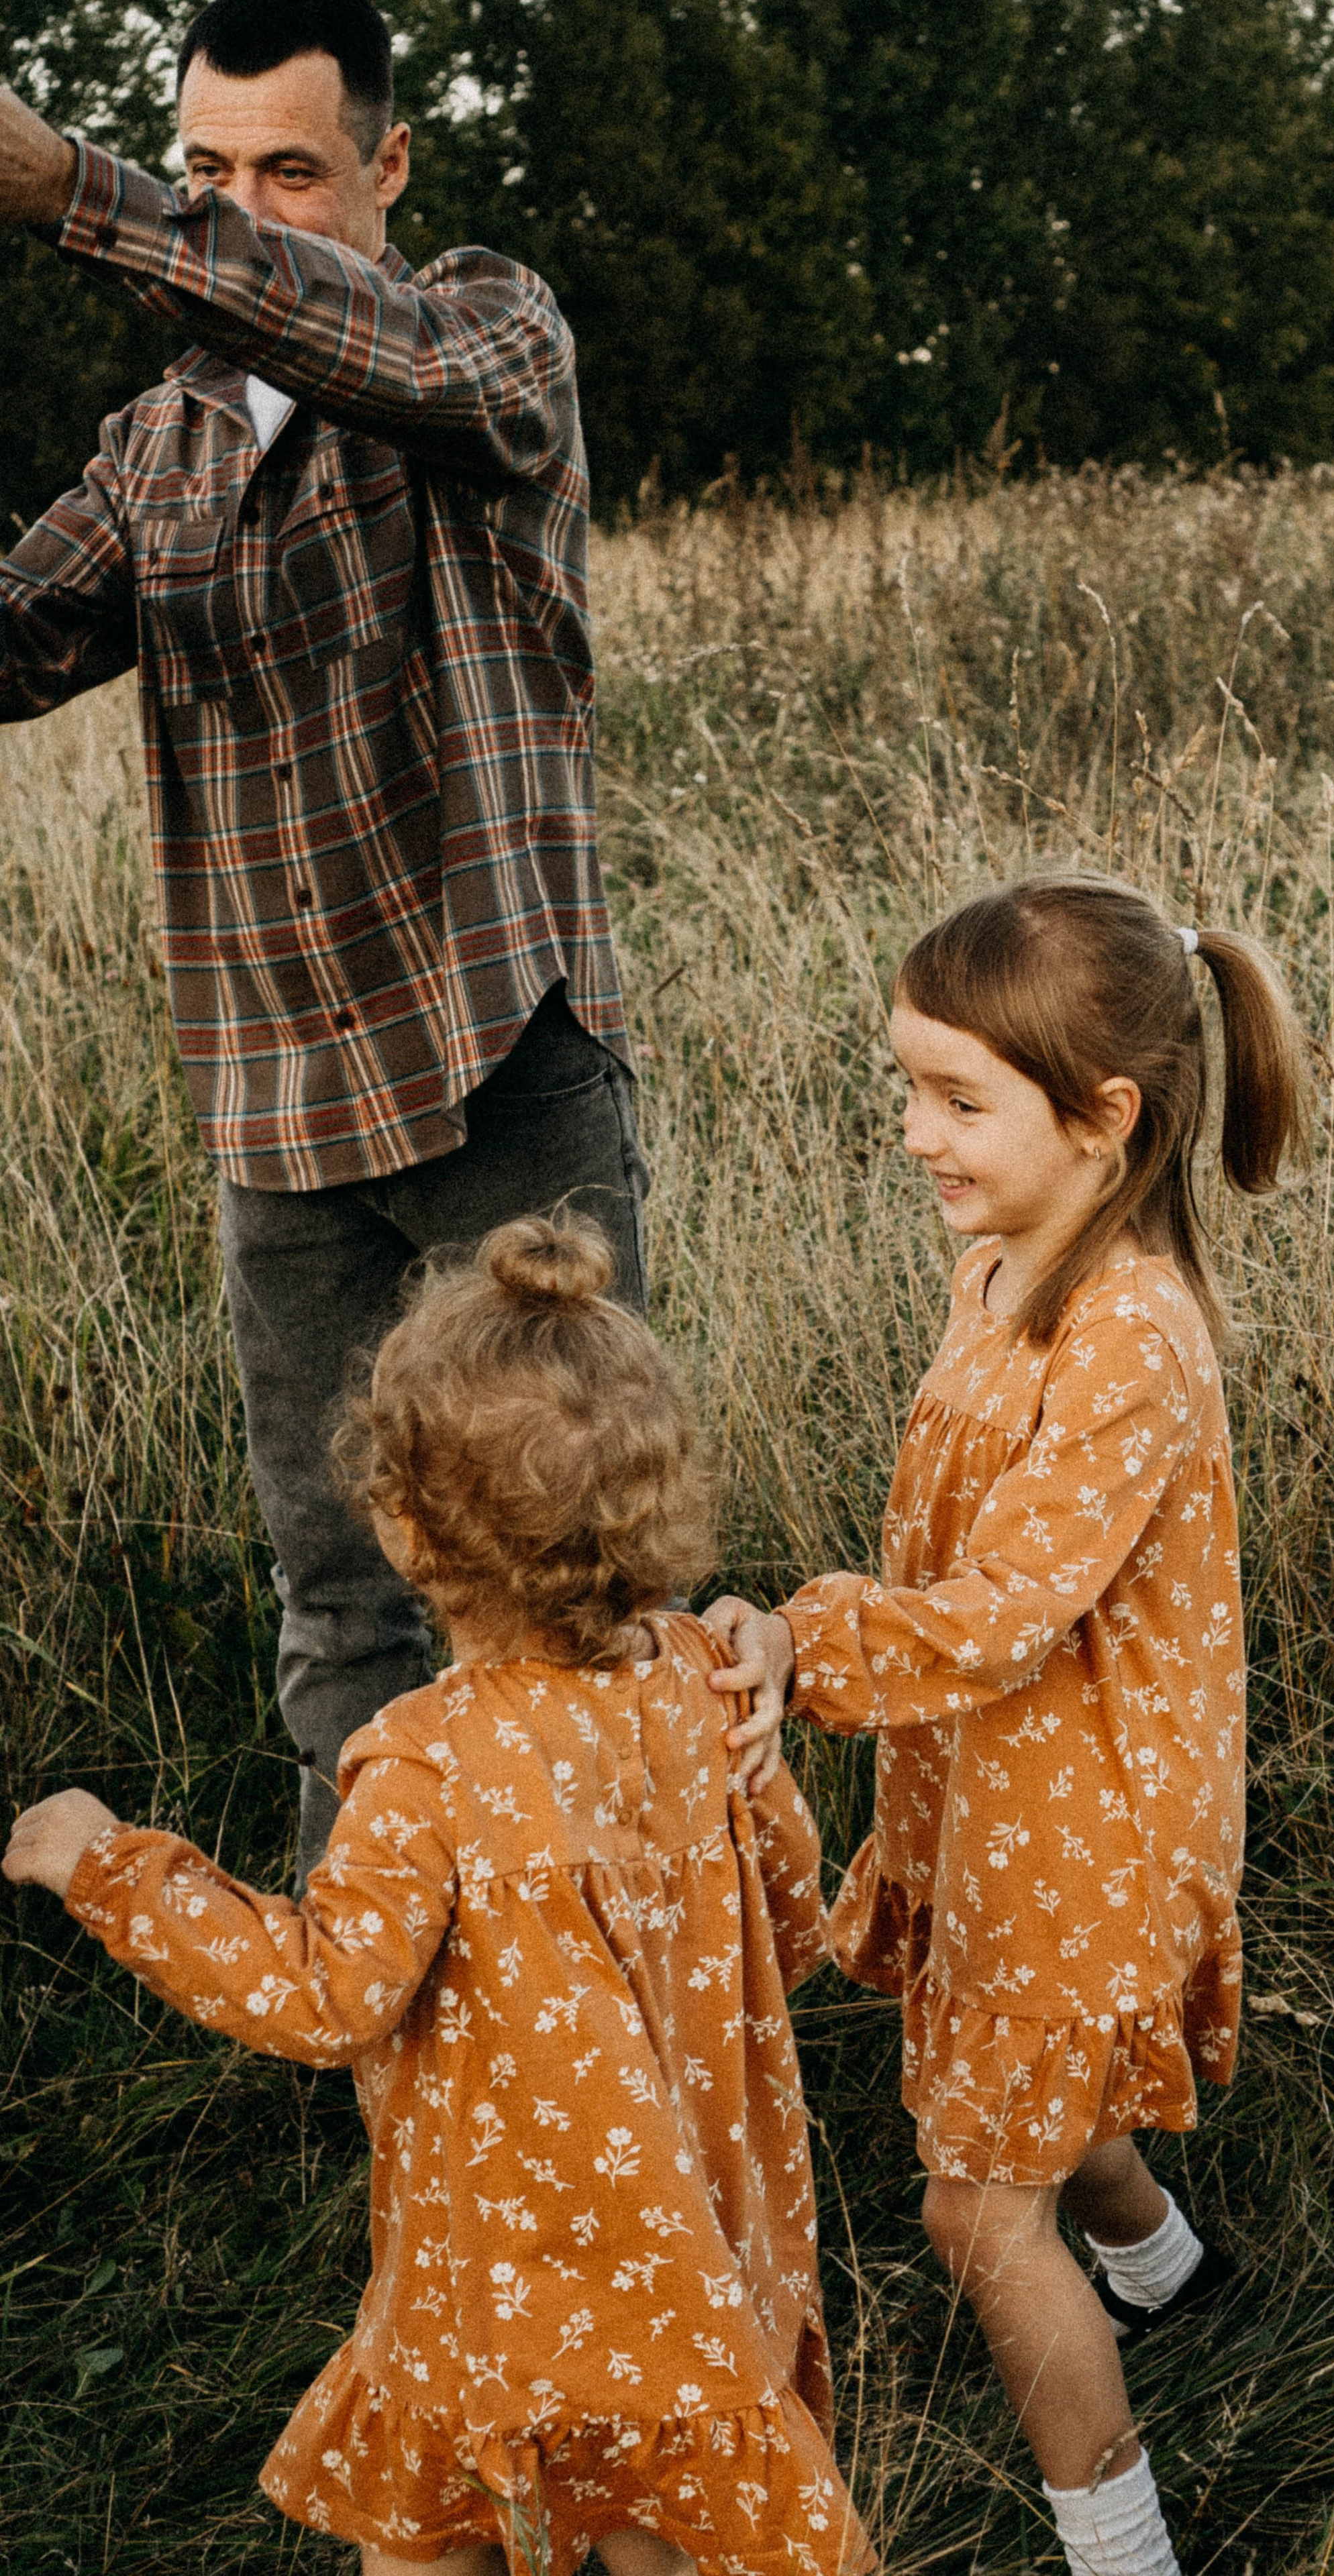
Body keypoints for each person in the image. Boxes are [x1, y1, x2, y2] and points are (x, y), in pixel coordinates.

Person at [0, 0, 644, 1883]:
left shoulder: (483, 323)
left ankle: (617, 1983)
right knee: (339, 1590)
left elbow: (402, 358)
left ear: (389, 168)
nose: (245, 212)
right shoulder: (159, 444)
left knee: (563, 1575)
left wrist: (72, 195)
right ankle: (361, 1997)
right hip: (275, 1103)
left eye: (292, 171)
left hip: (497, 1057)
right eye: (206, 171)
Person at [5, 1216, 870, 2576]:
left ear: (404, 1530)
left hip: (498, 2284)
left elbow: (323, 1995)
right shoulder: (708, 1687)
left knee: (429, 2529)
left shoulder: (425, 1762)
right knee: (671, 2516)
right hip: (690, 2265)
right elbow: (794, 1924)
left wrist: (113, 1866)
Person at [707, 877, 1311, 2576]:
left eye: (959, 1099)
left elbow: (998, 1614)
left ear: (1103, 1117)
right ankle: (1170, 2276)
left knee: (974, 2207)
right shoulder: (1000, 1269)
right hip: (998, 1798)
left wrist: (802, 1639)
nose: (914, 1133)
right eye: (909, 1087)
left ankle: (1120, 2547)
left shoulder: (1130, 1337)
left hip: (1094, 1829)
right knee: (1036, 2094)